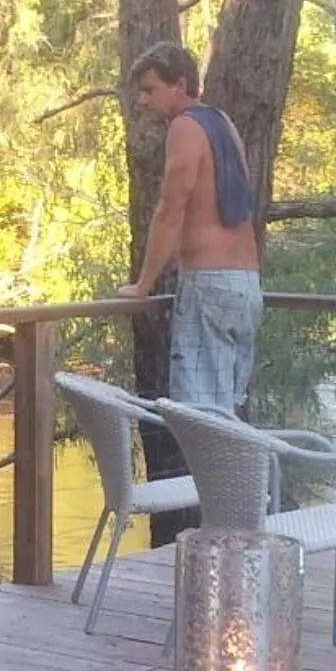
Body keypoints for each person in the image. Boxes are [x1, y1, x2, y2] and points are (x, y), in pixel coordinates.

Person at [116, 42, 261, 411]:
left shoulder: (185, 126)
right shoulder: (222, 123)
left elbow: (170, 208)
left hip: (209, 285)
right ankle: (232, 471)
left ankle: (218, 472)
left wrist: (143, 286)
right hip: (246, 286)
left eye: (150, 90)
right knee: (226, 414)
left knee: (201, 419)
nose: (143, 101)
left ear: (180, 85)